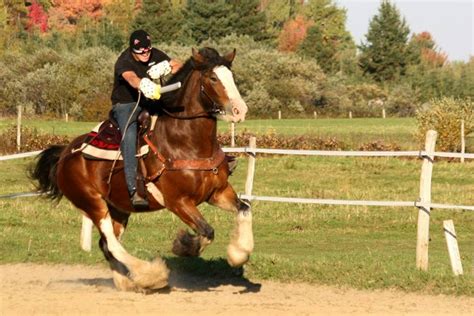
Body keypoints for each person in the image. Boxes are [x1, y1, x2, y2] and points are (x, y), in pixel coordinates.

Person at [110, 29, 181, 208]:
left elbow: (179, 65)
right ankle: (133, 189)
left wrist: (166, 67)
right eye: (140, 51)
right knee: (130, 136)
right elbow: (131, 77)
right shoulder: (124, 60)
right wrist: (142, 83)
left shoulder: (155, 54)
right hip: (127, 104)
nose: (145, 53)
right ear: (133, 50)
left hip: (151, 101)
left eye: (147, 50)